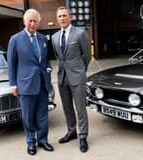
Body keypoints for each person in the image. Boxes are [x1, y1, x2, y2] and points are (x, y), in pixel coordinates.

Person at [7, 8, 54, 156]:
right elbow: (11, 64)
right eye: (30, 21)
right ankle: (31, 142)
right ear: (24, 22)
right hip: (25, 85)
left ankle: (42, 140)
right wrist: (13, 84)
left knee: (42, 114)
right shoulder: (15, 39)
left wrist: (48, 68)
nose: (32, 24)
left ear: (39, 22)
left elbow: (46, 59)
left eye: (35, 21)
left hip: (42, 83)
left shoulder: (43, 38)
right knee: (28, 116)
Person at [51, 6, 91, 153]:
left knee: (80, 108)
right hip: (62, 77)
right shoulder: (55, 37)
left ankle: (83, 136)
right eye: (59, 16)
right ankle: (71, 131)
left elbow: (87, 56)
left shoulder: (80, 34)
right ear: (57, 19)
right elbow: (58, 57)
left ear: (70, 17)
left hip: (77, 76)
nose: (62, 18)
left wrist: (81, 70)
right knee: (67, 108)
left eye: (64, 15)